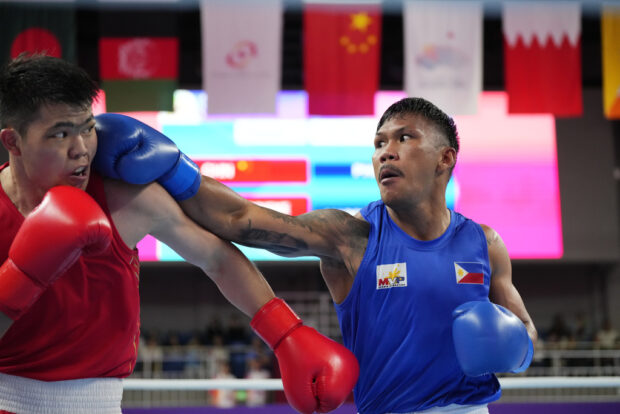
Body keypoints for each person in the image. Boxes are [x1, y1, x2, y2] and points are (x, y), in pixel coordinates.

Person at [96, 97, 538, 414]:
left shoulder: (485, 243)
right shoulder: (352, 236)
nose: (387, 151)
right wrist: (176, 169)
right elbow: (241, 220)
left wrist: (514, 346)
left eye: (405, 138)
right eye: (380, 142)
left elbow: (527, 334)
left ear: (445, 158)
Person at [0, 54, 358, 414]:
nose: (80, 149)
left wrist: (286, 334)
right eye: (61, 133)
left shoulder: (126, 198)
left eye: (88, 127)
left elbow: (216, 258)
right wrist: (24, 275)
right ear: (13, 142)